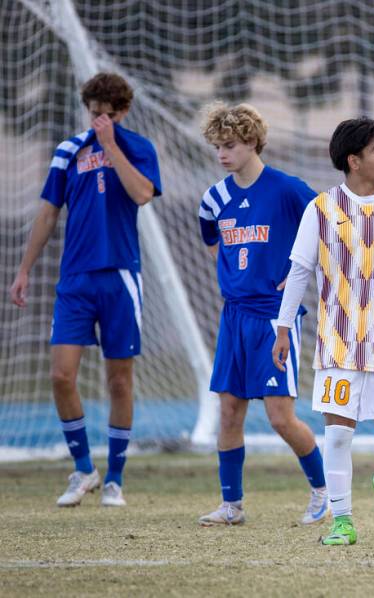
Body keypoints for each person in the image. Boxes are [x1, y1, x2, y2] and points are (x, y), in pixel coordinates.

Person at [273, 117, 374, 546]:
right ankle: (342, 522)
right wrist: (283, 327)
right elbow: (300, 270)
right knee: (339, 432)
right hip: (338, 341)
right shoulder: (322, 209)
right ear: (354, 160)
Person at [9, 73, 161, 508]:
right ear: (86, 109)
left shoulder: (137, 148)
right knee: (60, 375)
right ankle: (83, 469)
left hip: (120, 277)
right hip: (75, 280)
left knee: (118, 379)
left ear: (123, 113)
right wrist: (24, 270)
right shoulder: (68, 151)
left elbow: (143, 194)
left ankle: (114, 478)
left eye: (109, 116)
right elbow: (48, 213)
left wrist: (111, 146)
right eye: (95, 115)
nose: (100, 121)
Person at [196, 102, 326, 527]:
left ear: (252, 141)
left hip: (275, 316)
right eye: (217, 147)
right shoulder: (213, 199)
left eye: (229, 145)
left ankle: (324, 494)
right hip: (234, 317)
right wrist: (236, 276)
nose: (221, 155)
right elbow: (213, 242)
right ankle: (231, 505)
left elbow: (328, 224)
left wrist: (299, 272)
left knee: (279, 416)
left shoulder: (287, 189)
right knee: (229, 410)